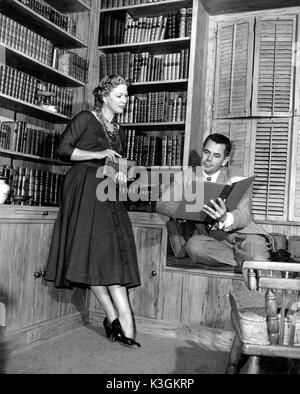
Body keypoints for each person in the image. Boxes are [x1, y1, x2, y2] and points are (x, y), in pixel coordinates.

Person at [44, 75, 141, 348]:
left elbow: (111, 163)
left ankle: (115, 320)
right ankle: (122, 319)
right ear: (105, 97)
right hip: (83, 187)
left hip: (105, 190)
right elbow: (63, 150)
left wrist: (120, 175)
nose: (125, 100)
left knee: (101, 255)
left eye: (126, 96)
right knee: (97, 254)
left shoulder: (117, 130)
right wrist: (97, 154)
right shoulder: (86, 118)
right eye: (120, 95)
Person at [165, 133, 274, 272]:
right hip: (213, 240)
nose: (208, 159)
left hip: (244, 235)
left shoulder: (235, 176)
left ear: (224, 161)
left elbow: (244, 214)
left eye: (216, 156)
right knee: (194, 247)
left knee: (257, 257)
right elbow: (162, 204)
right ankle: (245, 259)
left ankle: (250, 258)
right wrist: (187, 208)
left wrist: (225, 218)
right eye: (206, 152)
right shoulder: (186, 176)